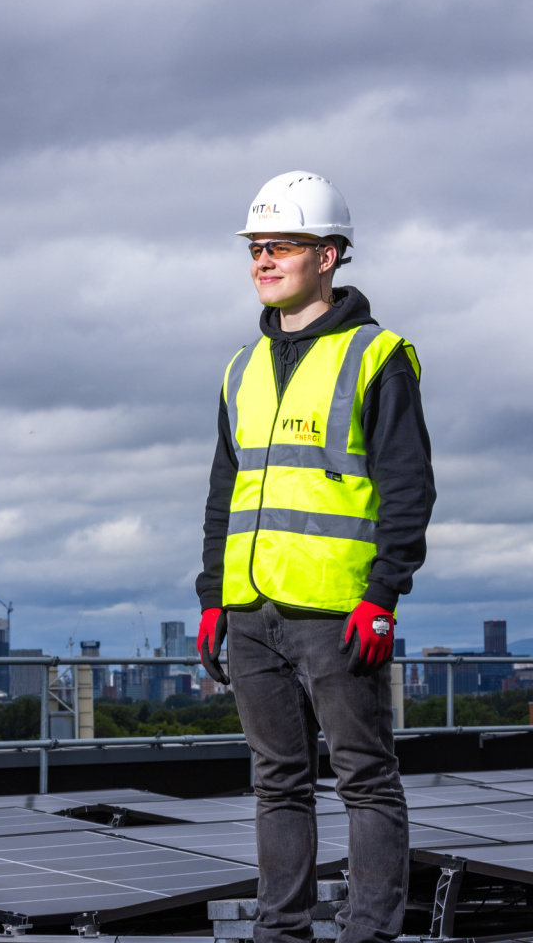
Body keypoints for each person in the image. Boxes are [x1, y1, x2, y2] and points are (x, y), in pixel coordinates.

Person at [194, 171, 435, 943]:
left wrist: (382, 596)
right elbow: (223, 490)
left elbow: (409, 490)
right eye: (256, 248)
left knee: (365, 780)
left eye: (282, 247)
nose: (263, 261)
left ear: (328, 255)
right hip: (252, 608)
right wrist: (210, 596)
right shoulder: (242, 368)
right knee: (277, 784)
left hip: (338, 612)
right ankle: (280, 931)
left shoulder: (378, 356)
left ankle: (367, 933)